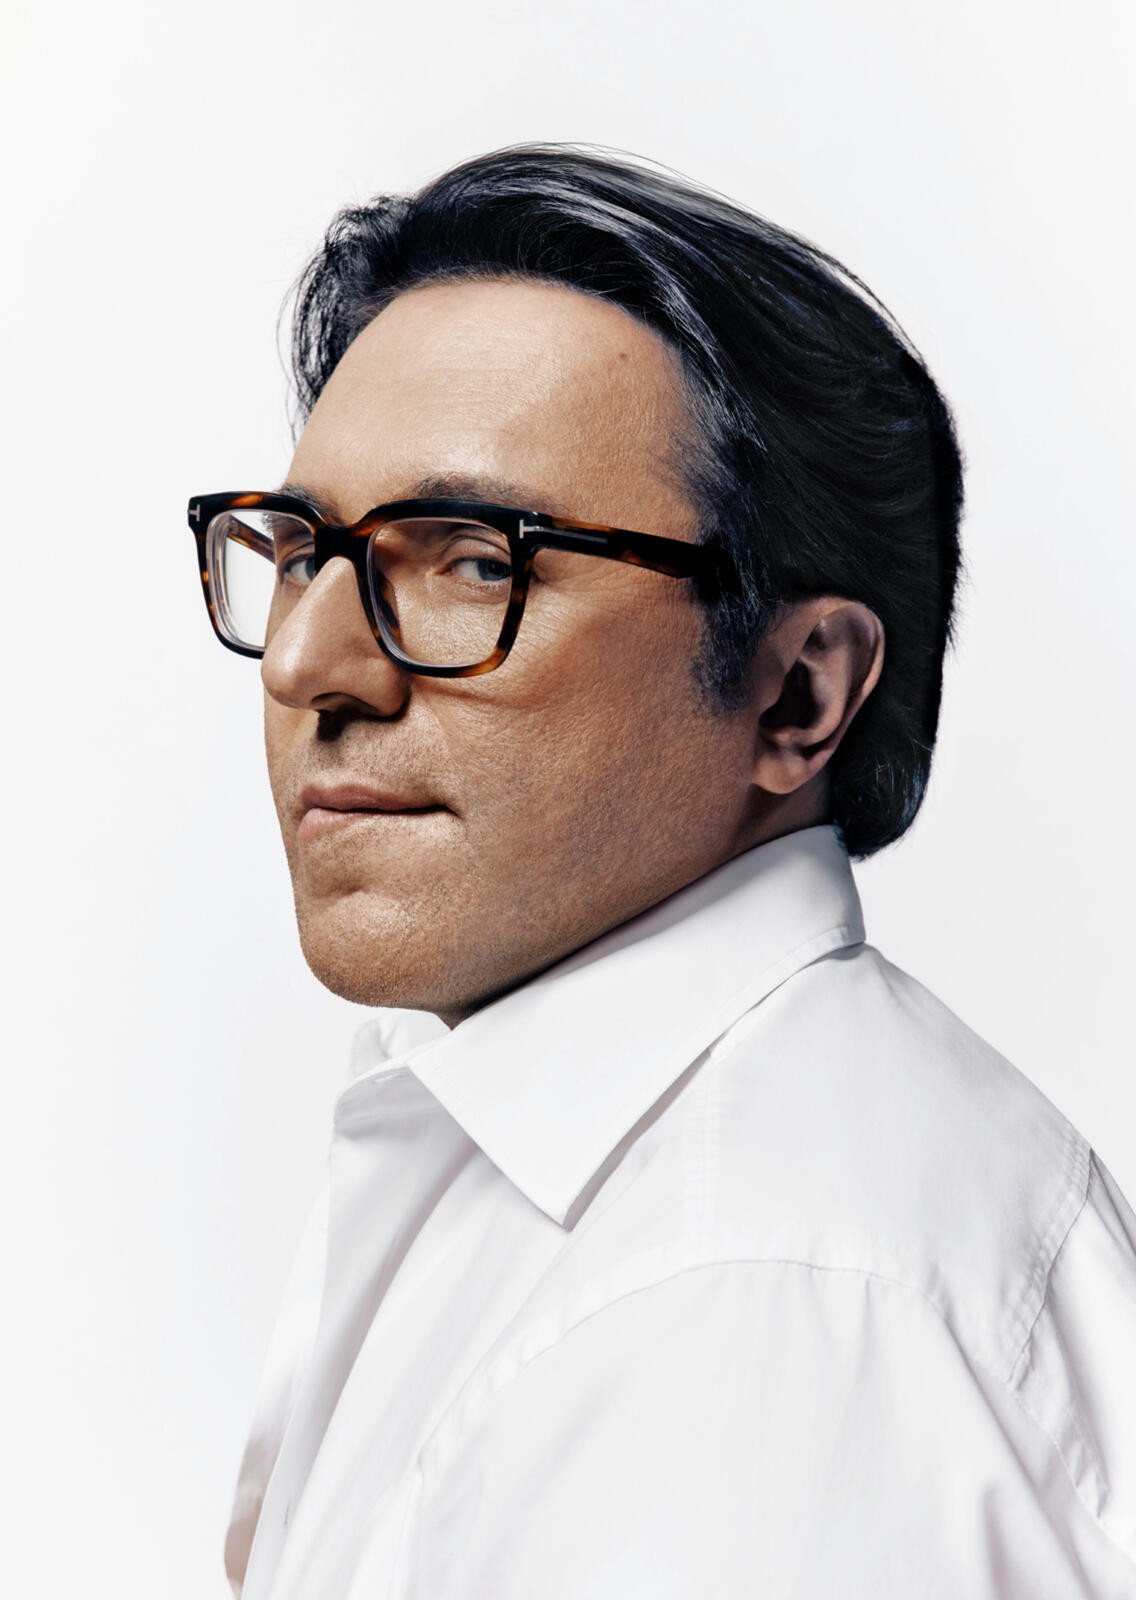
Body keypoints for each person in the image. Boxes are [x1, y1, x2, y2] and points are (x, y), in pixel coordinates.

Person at [189, 146, 1136, 1598]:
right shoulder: (649, 1188)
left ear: (799, 691)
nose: (309, 661)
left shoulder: (746, 1308)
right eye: (305, 550)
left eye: (477, 561)